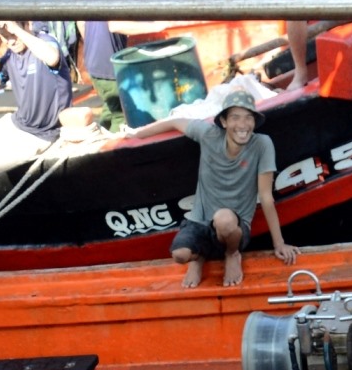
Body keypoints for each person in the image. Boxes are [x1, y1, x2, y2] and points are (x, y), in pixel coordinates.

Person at [121, 90, 299, 288]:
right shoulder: (208, 134)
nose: (242, 125)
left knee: (224, 219)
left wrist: (279, 243)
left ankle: (232, 254)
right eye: (235, 117)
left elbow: (266, 197)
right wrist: (137, 133)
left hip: (233, 225)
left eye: (249, 118)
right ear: (223, 122)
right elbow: (174, 122)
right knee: (179, 255)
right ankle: (199, 257)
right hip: (200, 220)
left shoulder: (262, 144)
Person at [0, 0, 73, 168]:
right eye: (5, 37)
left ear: (28, 25)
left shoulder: (44, 42)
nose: (11, 41)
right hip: (20, 123)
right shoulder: (10, 56)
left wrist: (18, 30)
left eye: (13, 35)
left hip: (46, 132)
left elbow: (52, 57)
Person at [78, 0, 129, 130]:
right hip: (109, 67)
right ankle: (112, 154)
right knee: (121, 115)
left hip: (92, 62)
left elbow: (80, 22)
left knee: (109, 107)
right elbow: (116, 25)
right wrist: (157, 26)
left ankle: (100, 138)